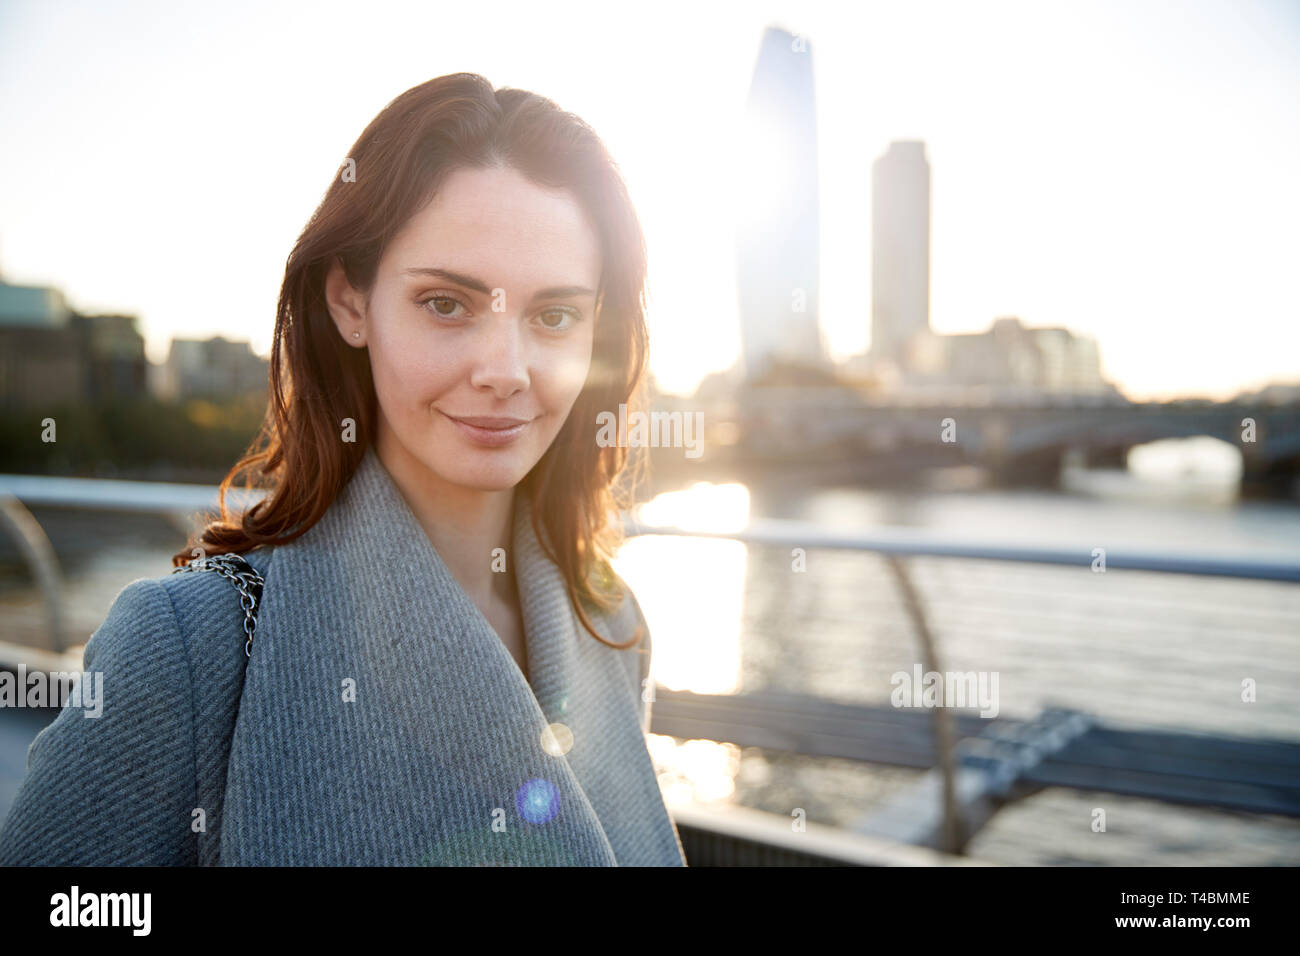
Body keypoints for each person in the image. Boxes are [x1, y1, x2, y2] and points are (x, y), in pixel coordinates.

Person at [0, 72, 686, 866]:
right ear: (350, 304)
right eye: (447, 304)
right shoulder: (188, 648)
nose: (507, 369)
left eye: (554, 315)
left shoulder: (614, 622)